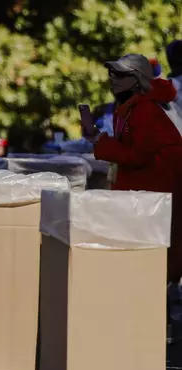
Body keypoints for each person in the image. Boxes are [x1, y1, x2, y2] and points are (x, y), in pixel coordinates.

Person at [80, 53, 182, 343]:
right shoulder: (129, 107)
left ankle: (155, 330)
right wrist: (97, 137)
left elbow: (136, 155)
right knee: (151, 259)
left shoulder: (145, 110)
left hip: (159, 188)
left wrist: (99, 141)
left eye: (120, 74)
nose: (113, 79)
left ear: (137, 81)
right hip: (148, 188)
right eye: (112, 74)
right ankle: (153, 327)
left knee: (156, 259)